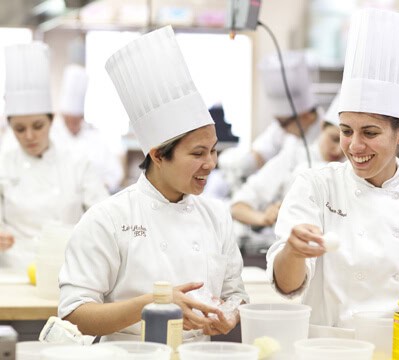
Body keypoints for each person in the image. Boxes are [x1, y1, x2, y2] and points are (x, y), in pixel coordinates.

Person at [266, 8, 399, 334]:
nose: (354, 145)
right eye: (346, 131)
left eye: (370, 133)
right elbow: (288, 285)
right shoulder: (315, 186)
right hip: (330, 350)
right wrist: (292, 251)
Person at [58, 25, 248, 342]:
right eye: (198, 153)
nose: (211, 164)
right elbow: (76, 315)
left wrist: (231, 313)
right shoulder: (108, 218)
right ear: (158, 155)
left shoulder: (216, 217)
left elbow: (236, 295)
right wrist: (153, 304)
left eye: (214, 151)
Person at [0, 42, 109, 271]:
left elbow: (105, 217)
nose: (30, 135)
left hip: (68, 271)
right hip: (14, 270)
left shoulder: (78, 163)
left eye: (38, 125)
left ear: (51, 120)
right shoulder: (4, 165)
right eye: (20, 129)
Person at [231, 96, 344, 228]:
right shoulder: (293, 157)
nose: (338, 151)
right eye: (334, 139)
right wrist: (264, 218)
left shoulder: (353, 168)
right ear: (322, 127)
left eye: (345, 143)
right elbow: (237, 206)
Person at [218, 51, 322, 190]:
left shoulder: (327, 135)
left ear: (306, 116)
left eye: (283, 123)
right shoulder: (281, 129)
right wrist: (239, 163)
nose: (281, 128)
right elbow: (260, 153)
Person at [52, 64, 124, 193]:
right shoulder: (52, 136)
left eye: (77, 119)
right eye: (69, 120)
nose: (74, 124)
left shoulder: (95, 138)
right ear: (63, 116)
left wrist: (103, 186)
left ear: (82, 117)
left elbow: (115, 173)